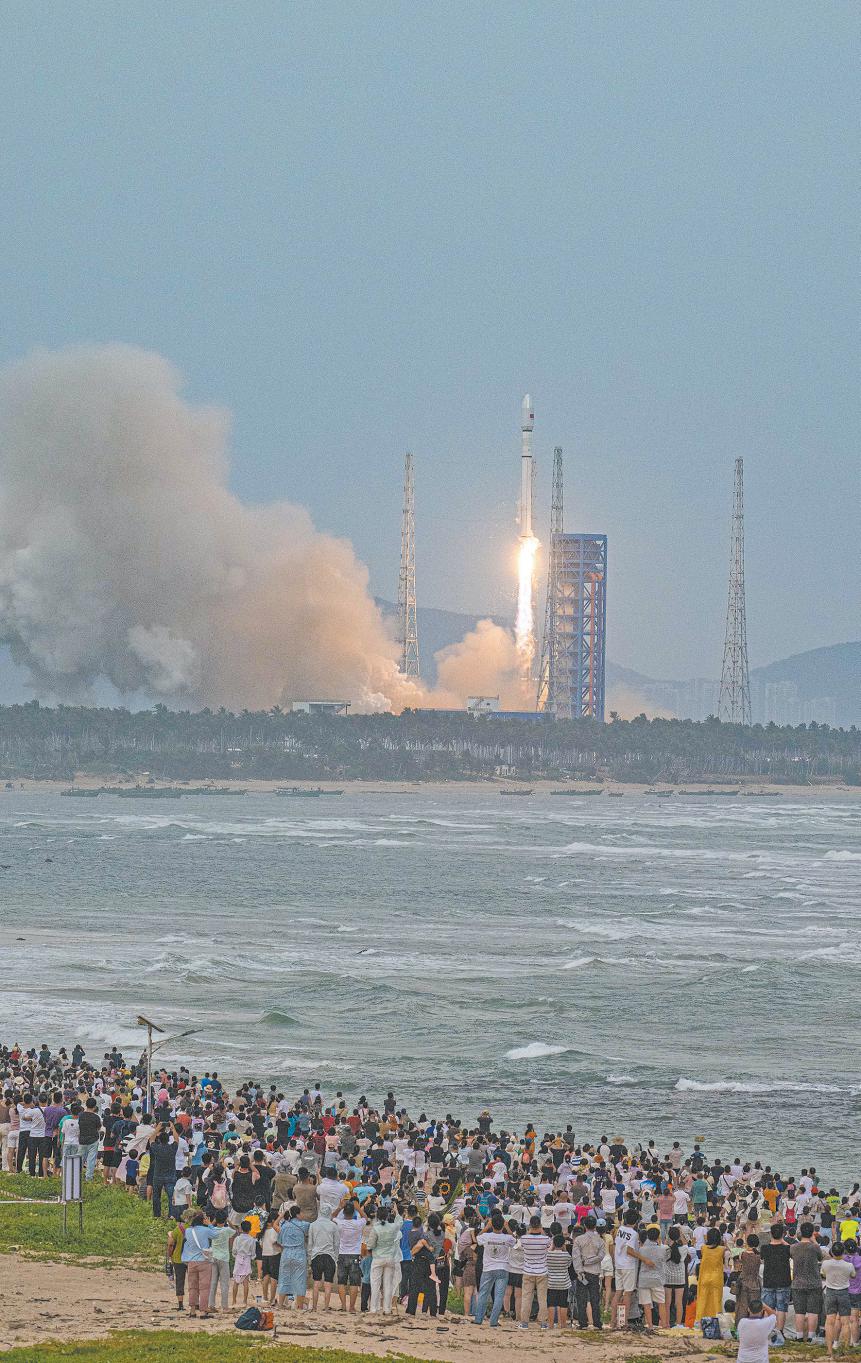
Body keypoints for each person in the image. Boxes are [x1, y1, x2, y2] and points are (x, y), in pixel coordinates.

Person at [473, 1210, 515, 1328]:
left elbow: (477, 1238)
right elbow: (514, 1240)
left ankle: (478, 1318)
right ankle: (493, 1321)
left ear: (492, 1224)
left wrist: (487, 1227)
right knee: (499, 1295)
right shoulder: (507, 1238)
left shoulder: (486, 1236)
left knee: (483, 1293)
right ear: (502, 1225)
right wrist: (507, 1227)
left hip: (488, 1268)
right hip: (502, 1268)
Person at [790, 1221, 823, 1342]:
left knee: (799, 1312)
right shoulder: (814, 1247)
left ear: (801, 1232)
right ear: (812, 1233)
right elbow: (821, 1257)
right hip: (814, 1282)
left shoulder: (793, 1247)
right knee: (813, 1311)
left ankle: (799, 1336)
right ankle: (811, 1336)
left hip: (798, 1283)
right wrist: (814, 1241)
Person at [181, 1211, 217, 1319]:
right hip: (204, 1261)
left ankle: (192, 1311)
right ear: (202, 1220)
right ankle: (203, 1311)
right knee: (204, 1287)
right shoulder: (206, 1230)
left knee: (192, 1287)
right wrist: (210, 1224)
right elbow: (216, 1235)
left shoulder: (188, 1231)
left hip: (191, 1262)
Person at [519, 1214, 552, 1330]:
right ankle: (543, 1322)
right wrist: (542, 1231)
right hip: (542, 1271)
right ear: (540, 1225)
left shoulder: (524, 1238)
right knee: (542, 1298)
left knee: (526, 1297)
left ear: (530, 1225)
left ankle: (524, 1322)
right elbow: (549, 1244)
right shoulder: (546, 1239)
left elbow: (521, 1244)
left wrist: (529, 1231)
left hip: (528, 1271)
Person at [822, 1240, 854, 1359]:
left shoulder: (826, 1264)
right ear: (843, 1252)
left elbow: (823, 1274)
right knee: (845, 1323)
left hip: (830, 1292)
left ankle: (829, 1350)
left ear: (832, 1252)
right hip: (843, 1293)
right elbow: (853, 1275)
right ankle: (845, 1349)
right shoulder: (848, 1265)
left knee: (829, 1322)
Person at [760, 1221, 791, 1340]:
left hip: (768, 1280)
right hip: (783, 1280)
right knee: (781, 1308)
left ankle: (767, 1331)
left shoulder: (765, 1248)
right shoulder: (787, 1248)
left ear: (771, 1234)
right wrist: (783, 1241)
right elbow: (792, 1249)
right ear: (782, 1234)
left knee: (768, 1307)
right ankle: (779, 1332)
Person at [277, 1206, 310, 1310]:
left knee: (284, 1279)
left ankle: (280, 1305)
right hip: (299, 1254)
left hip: (286, 1254)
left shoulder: (284, 1225)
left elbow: (279, 1241)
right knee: (300, 1280)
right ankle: (299, 1306)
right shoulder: (305, 1225)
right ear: (298, 1214)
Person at [308, 1209, 340, 1311]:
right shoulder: (333, 1226)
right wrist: (335, 1258)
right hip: (329, 1256)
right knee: (328, 1283)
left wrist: (310, 1257)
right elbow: (336, 1243)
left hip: (316, 1256)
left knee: (316, 1282)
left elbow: (310, 1243)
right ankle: (326, 1307)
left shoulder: (313, 1225)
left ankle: (314, 1307)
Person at [696, 1226, 728, 1322]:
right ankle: (716, 1321)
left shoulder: (703, 1248)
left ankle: (699, 1321)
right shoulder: (722, 1249)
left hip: (704, 1278)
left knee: (702, 1300)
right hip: (716, 1278)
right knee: (716, 1301)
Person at [207, 1209, 233, 1313]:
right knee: (224, 1283)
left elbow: (210, 1226)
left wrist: (213, 1222)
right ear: (225, 1219)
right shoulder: (227, 1230)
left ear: (216, 1219)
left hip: (213, 1257)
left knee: (213, 1282)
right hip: (224, 1258)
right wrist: (228, 1220)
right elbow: (236, 1230)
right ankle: (225, 1306)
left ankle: (211, 1305)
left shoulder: (212, 1230)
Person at [737, 1297, 777, 1363]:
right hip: (760, 1360)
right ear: (762, 1310)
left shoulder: (742, 1322)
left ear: (748, 1309)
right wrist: (765, 1306)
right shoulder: (765, 1323)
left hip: (742, 1360)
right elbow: (774, 1315)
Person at [231, 1217, 257, 1307]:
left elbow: (234, 1250)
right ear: (250, 1229)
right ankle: (244, 1301)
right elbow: (253, 1253)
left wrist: (236, 1256)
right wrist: (252, 1257)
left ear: (241, 1229)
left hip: (238, 1260)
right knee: (246, 1282)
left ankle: (234, 1301)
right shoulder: (252, 1240)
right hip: (247, 1260)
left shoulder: (237, 1239)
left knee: (236, 1281)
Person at [166, 1219, 187, 1312]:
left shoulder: (178, 1229)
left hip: (178, 1258)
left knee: (179, 1281)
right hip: (193, 1258)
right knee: (194, 1281)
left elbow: (170, 1244)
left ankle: (180, 1305)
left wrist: (170, 1255)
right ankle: (196, 1304)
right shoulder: (196, 1228)